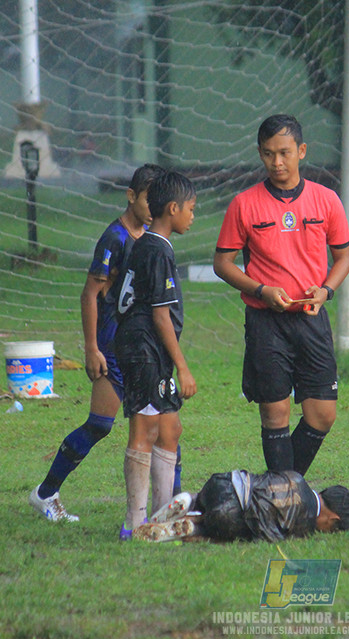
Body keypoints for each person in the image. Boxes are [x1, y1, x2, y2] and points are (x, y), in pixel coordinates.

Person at [28, 164, 176, 522]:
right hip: (112, 348)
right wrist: (91, 347)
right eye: (147, 199)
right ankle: (45, 493)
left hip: (143, 350)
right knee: (100, 424)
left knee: (165, 429)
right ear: (131, 196)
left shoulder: (152, 240)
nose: (153, 206)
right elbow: (90, 293)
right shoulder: (115, 238)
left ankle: (166, 510)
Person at [213, 114, 349, 476]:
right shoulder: (244, 204)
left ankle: (278, 488)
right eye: (269, 154)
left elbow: (344, 258)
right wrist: (260, 290)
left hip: (310, 317)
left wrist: (326, 291)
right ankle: (283, 498)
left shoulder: (327, 200)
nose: (277, 162)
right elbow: (222, 264)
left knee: (323, 413)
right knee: (275, 414)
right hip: (265, 321)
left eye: (285, 153)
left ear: (301, 151)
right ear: (260, 154)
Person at [114, 170, 197, 540]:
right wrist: (183, 367)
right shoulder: (156, 251)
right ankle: (135, 523)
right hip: (144, 349)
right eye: (191, 209)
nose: (193, 216)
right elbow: (160, 315)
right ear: (174, 209)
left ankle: (162, 519)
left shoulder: (149, 245)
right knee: (144, 429)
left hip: (150, 348)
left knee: (171, 428)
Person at [131, 470, 349, 543]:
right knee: (232, 527)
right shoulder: (305, 522)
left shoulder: (296, 477)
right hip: (231, 517)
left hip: (222, 484)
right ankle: (196, 528)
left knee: (212, 500)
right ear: (333, 520)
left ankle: (190, 502)